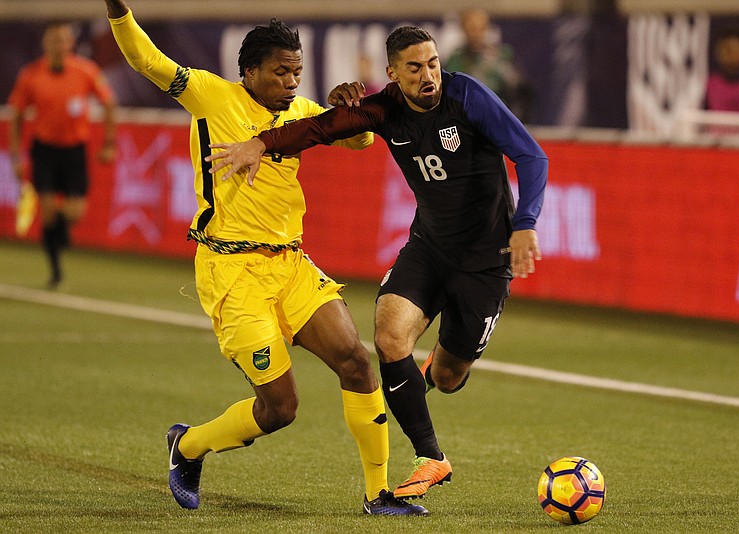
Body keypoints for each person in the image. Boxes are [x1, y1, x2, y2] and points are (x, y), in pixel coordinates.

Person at [102, 0, 428, 516]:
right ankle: (187, 447)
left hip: (290, 265)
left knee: (357, 363)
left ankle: (378, 494)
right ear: (249, 72)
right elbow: (147, 61)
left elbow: (361, 140)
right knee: (281, 409)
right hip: (231, 272)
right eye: (281, 72)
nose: (292, 82)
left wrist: (352, 107)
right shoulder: (212, 96)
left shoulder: (298, 114)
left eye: (297, 71)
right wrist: (119, 11)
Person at [206, 26, 548, 502]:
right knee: (388, 336)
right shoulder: (384, 109)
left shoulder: (468, 96)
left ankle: (415, 386)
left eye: (432, 63)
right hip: (429, 249)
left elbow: (531, 155)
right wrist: (262, 144)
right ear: (393, 73)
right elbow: (320, 127)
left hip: (484, 262)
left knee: (448, 378)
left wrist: (525, 222)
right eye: (414, 67)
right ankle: (431, 457)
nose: (429, 75)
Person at [8, 21, 117, 289]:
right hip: (44, 150)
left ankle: (58, 233)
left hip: (74, 151)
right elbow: (17, 116)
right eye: (53, 40)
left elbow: (109, 103)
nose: (59, 45)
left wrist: (109, 143)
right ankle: (55, 269)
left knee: (75, 212)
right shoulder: (31, 75)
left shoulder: (85, 71)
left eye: (63, 40)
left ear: (71, 43)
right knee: (46, 213)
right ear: (45, 44)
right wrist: (15, 156)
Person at [444, 8, 531, 122]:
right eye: (471, 28)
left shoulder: (501, 57)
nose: (475, 33)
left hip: (496, 118)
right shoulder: (455, 59)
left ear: (487, 29)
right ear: (463, 29)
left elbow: (519, 91)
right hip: (464, 119)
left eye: (480, 28)